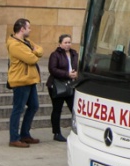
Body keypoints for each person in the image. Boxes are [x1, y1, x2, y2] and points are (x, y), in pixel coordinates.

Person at [6, 18, 43, 148]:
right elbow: (32, 59)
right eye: (29, 27)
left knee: (34, 106)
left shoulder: (26, 42)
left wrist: (34, 51)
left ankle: (25, 134)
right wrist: (34, 53)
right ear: (22, 29)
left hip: (30, 79)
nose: (30, 30)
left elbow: (40, 49)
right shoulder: (15, 44)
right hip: (21, 80)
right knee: (18, 109)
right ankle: (14, 138)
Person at [47, 34, 78, 142]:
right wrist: (67, 74)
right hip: (57, 85)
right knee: (57, 109)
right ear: (60, 43)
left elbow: (78, 65)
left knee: (73, 108)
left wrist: (75, 73)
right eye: (65, 42)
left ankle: (77, 129)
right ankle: (56, 132)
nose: (68, 44)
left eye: (69, 42)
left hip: (70, 85)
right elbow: (53, 69)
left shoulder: (74, 54)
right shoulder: (55, 55)